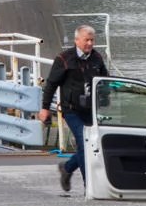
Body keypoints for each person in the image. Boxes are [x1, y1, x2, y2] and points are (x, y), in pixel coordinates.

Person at [39, 24, 108, 195]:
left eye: (92, 40)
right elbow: (51, 84)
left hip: (90, 109)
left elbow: (105, 81)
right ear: (77, 40)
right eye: (87, 40)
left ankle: (67, 168)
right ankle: (89, 188)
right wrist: (45, 108)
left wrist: (105, 101)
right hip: (71, 110)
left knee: (93, 145)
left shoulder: (97, 58)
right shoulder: (64, 59)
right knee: (85, 144)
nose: (90, 43)